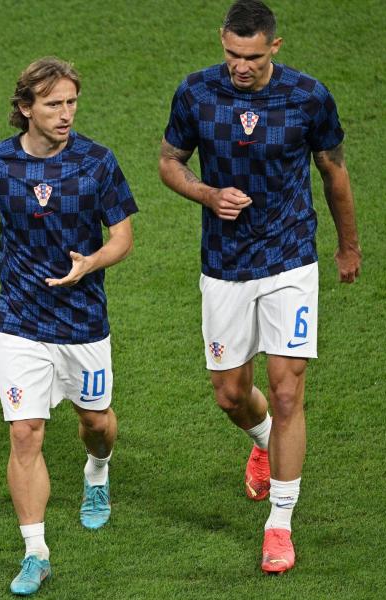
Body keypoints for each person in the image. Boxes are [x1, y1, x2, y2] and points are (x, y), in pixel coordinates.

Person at [158, 0, 361, 575]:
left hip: (290, 258)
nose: (239, 67)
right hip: (224, 264)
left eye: (250, 56)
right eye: (230, 54)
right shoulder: (197, 93)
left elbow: (334, 172)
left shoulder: (308, 96)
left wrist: (348, 247)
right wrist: (206, 194)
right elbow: (170, 162)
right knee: (229, 392)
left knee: (290, 389)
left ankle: (280, 524)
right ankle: (263, 440)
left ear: (274, 46)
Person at [0, 57, 137, 596]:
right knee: (24, 432)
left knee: (97, 423)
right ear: (25, 109)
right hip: (20, 320)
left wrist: (92, 263)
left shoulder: (97, 162)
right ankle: (35, 551)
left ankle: (97, 472)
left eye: (71, 102)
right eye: (54, 104)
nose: (66, 114)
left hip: (83, 322)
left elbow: (123, 235)